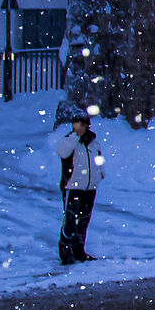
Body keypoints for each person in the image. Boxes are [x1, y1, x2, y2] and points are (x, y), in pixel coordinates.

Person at [54, 110, 102, 264]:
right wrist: (75, 137)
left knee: (83, 220)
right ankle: (65, 251)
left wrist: (99, 174)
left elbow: (98, 160)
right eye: (76, 124)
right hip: (73, 187)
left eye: (82, 124)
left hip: (89, 187)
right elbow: (62, 152)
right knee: (70, 220)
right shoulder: (70, 140)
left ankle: (79, 250)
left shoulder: (93, 142)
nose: (79, 127)